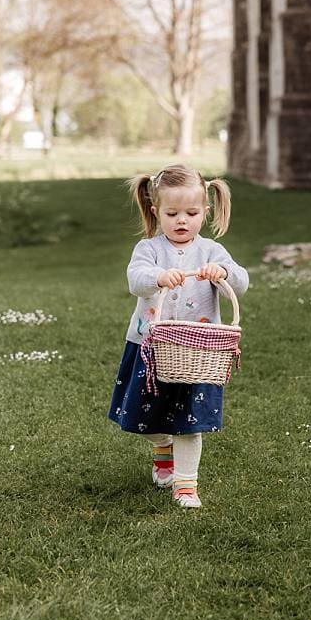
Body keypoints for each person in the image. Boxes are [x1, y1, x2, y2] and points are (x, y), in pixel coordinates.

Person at [108, 163, 250, 508]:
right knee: (145, 419)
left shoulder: (212, 252)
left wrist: (224, 273)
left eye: (191, 212)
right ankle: (162, 446)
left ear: (205, 211)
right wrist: (158, 277)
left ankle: (186, 485)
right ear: (157, 212)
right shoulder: (149, 249)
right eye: (172, 213)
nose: (181, 220)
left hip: (197, 354)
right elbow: (135, 280)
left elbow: (242, 284)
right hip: (151, 348)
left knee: (190, 422)